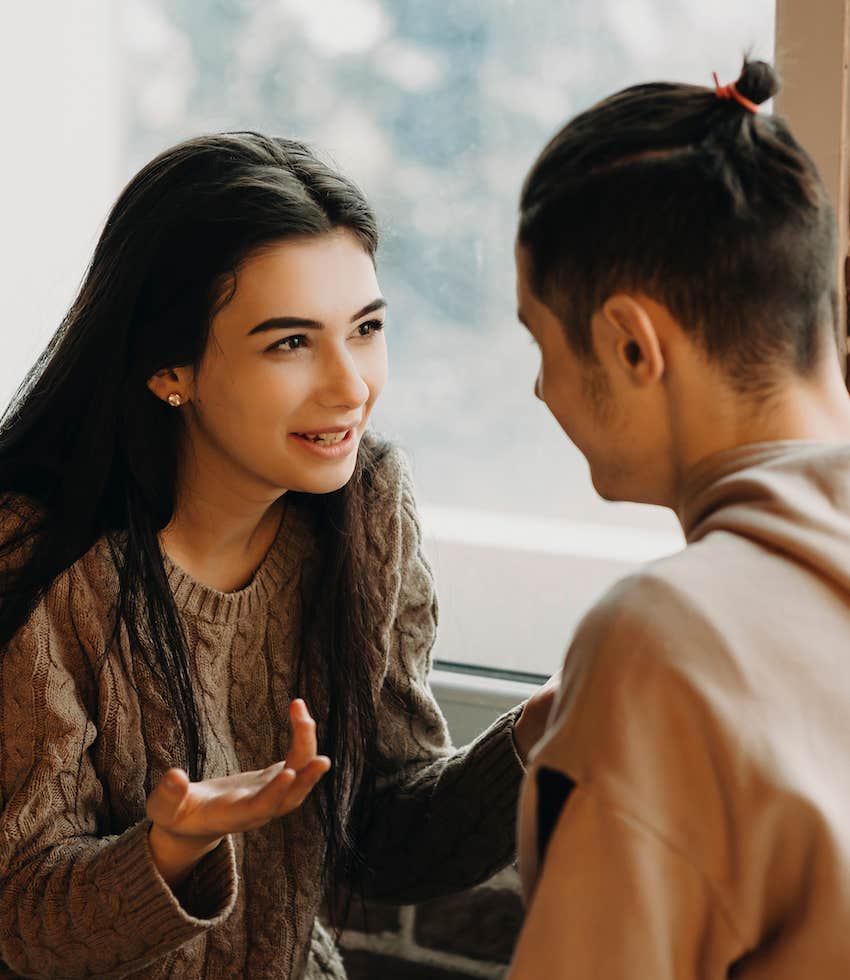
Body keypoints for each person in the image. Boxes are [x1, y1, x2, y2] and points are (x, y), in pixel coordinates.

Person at [0, 132, 555, 979]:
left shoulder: (368, 510)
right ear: (167, 367)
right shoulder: (39, 553)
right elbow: (24, 925)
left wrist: (540, 732)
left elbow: (388, 841)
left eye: (366, 329)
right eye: (291, 342)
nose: (350, 386)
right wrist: (173, 848)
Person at [507, 59, 850, 977]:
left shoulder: (665, 643)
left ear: (630, 344)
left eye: (541, 342)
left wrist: (631, 719)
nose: (540, 389)